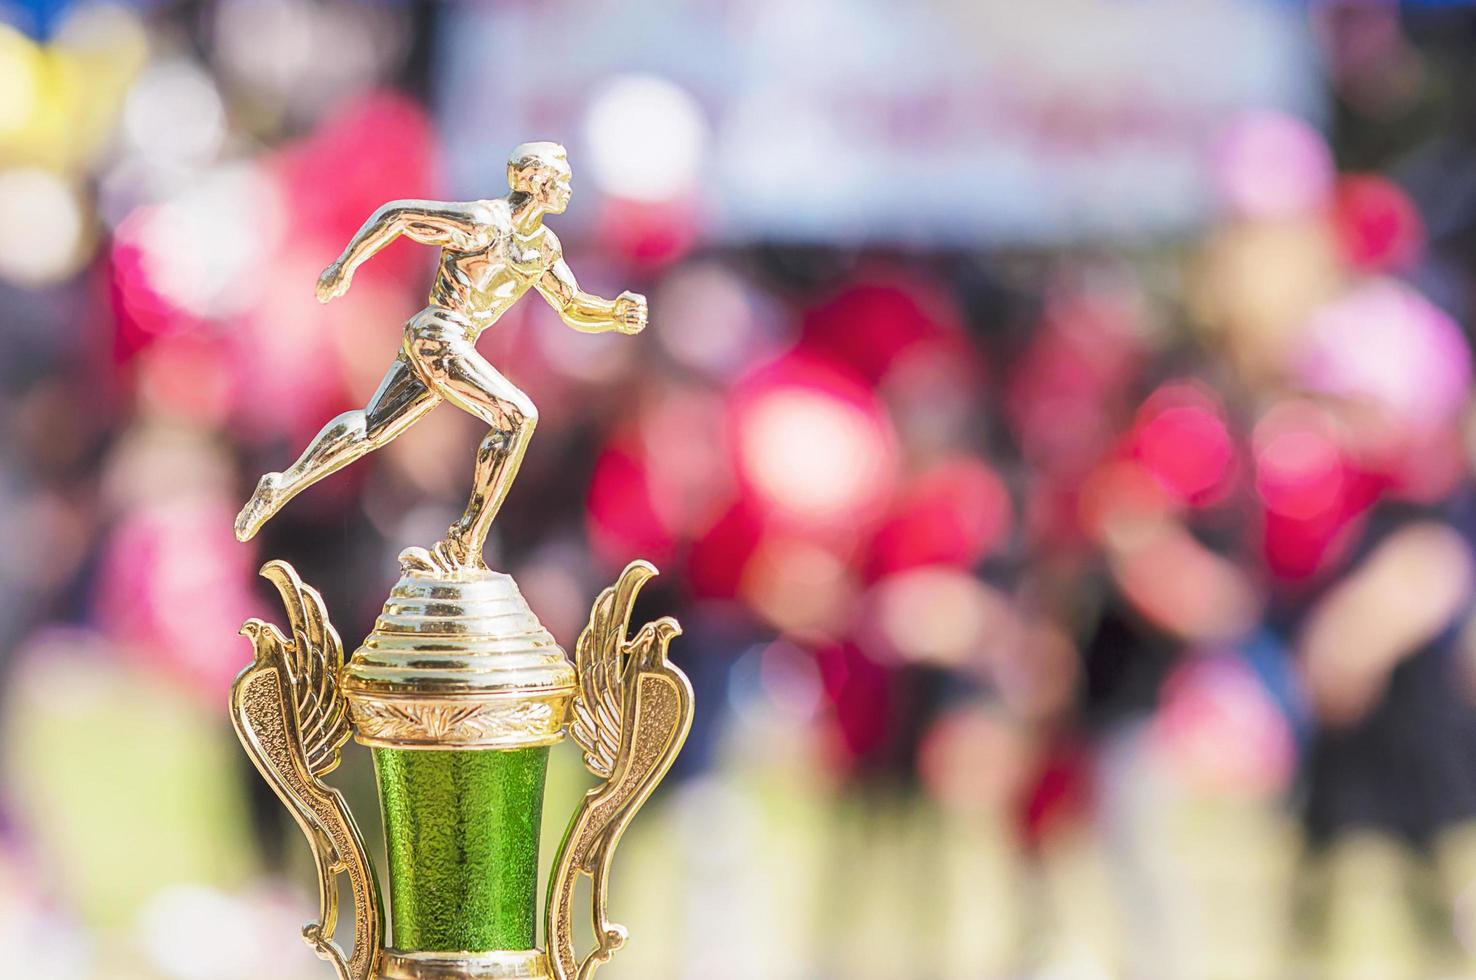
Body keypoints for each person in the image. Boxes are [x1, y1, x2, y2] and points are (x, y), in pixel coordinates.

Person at [233, 142, 647, 574]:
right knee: (518, 416)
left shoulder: (542, 249)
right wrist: (345, 265)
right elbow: (398, 215)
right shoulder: (485, 224)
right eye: (561, 180)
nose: (567, 189)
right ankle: (463, 543)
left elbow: (572, 305)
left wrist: (615, 313)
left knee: (371, 428)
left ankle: (280, 485)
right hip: (439, 331)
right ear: (537, 183)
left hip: (454, 341)